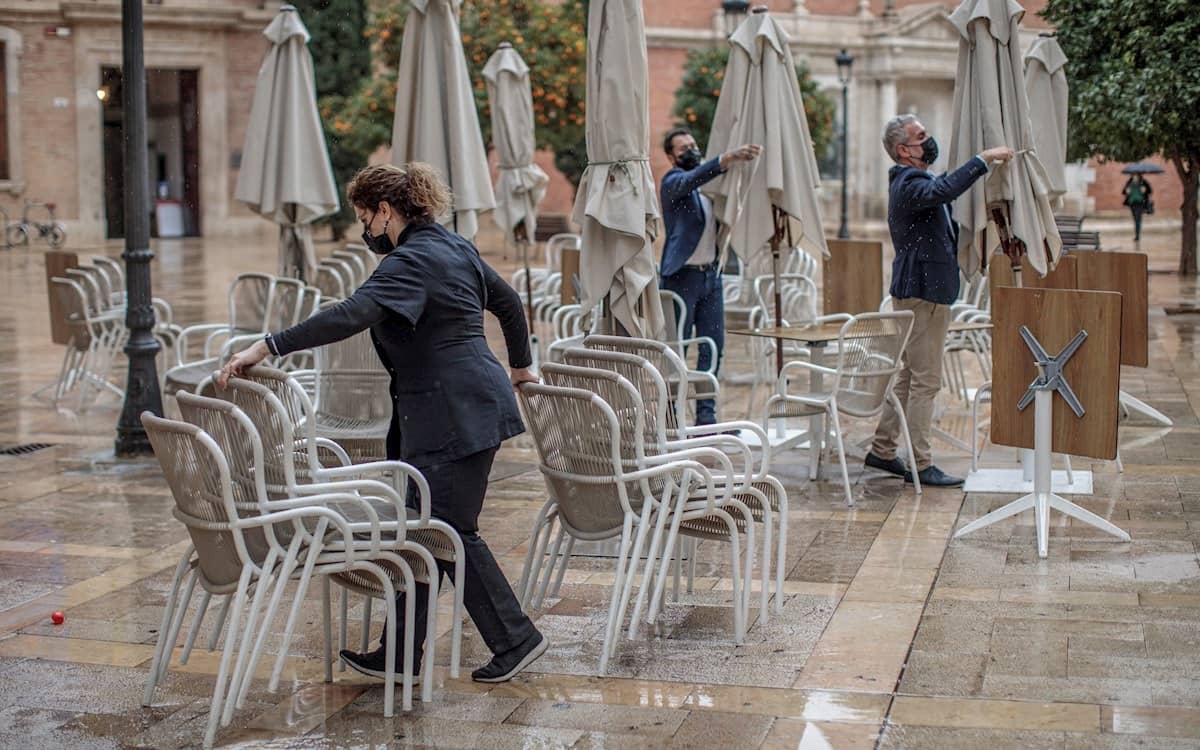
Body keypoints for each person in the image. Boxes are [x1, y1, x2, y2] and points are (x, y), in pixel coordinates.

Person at [219, 163, 547, 684]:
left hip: (451, 413)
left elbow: (349, 314)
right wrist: (521, 365)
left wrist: (268, 345)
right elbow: (507, 303)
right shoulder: (453, 246)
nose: (365, 229)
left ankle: (515, 639)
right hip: (461, 406)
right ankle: (398, 654)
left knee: (447, 532)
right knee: (423, 531)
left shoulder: (410, 261)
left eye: (364, 218)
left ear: (385, 211)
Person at [864, 114, 1014, 487]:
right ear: (904, 150)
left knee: (908, 377)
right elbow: (943, 190)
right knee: (926, 382)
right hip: (922, 294)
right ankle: (921, 463)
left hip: (919, 291)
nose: (929, 140)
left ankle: (882, 449)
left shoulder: (912, 181)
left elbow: (943, 189)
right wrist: (982, 160)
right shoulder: (910, 183)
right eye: (921, 136)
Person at [659, 128, 761, 426]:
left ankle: (706, 418)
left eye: (693, 144)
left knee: (713, 347)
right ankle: (671, 416)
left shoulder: (711, 188)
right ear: (671, 157)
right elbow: (689, 179)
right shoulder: (672, 181)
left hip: (711, 278)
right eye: (683, 148)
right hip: (681, 278)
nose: (691, 150)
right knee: (677, 349)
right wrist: (724, 159)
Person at [1123, 174, 1153, 242]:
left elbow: (1150, 191)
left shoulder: (1143, 182)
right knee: (1135, 218)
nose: (1135, 176)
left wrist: (1145, 190)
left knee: (1138, 218)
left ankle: (1137, 235)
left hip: (1140, 203)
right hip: (1132, 203)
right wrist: (1127, 191)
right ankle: (1137, 233)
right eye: (1133, 175)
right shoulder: (1129, 182)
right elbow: (1124, 191)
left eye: (1136, 175)